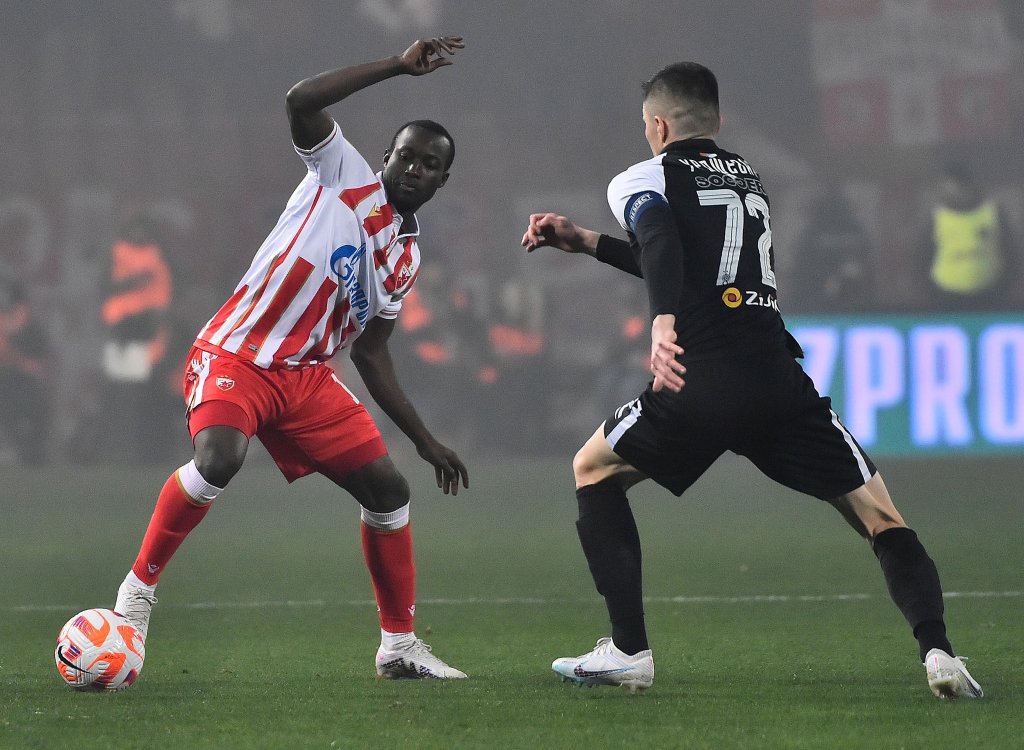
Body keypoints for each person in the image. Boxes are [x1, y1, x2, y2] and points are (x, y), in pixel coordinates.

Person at [521, 61, 982, 698]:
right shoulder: (746, 177)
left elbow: (659, 241)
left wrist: (661, 321)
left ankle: (628, 651)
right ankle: (939, 654)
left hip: (700, 378)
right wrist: (587, 241)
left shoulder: (642, 177)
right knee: (881, 517)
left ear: (658, 126)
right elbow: (688, 262)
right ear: (717, 119)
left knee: (592, 471)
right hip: (775, 379)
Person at [110, 36, 470, 681]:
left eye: (430, 164)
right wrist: (396, 66)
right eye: (406, 155)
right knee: (219, 460)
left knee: (389, 492)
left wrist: (425, 440)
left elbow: (373, 353)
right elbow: (300, 100)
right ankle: (137, 594)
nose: (415, 168)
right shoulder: (344, 175)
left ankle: (398, 646)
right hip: (239, 352)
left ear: (443, 180)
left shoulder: (405, 259)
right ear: (386, 158)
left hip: (305, 380)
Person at [99, 212, 175, 463]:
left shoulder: (159, 255)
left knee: (151, 390)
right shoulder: (116, 253)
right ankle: (113, 448)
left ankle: (151, 449)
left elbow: (169, 292)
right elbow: (105, 288)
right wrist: (133, 282)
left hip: (151, 330)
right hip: (123, 330)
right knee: (120, 391)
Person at [918, 161, 1017, 311]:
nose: (952, 194)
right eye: (947, 189)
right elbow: (921, 259)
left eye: (955, 189)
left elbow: (1011, 253)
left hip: (990, 296)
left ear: (968, 186)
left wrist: (1003, 289)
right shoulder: (937, 218)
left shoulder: (992, 214)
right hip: (946, 297)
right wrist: (932, 294)